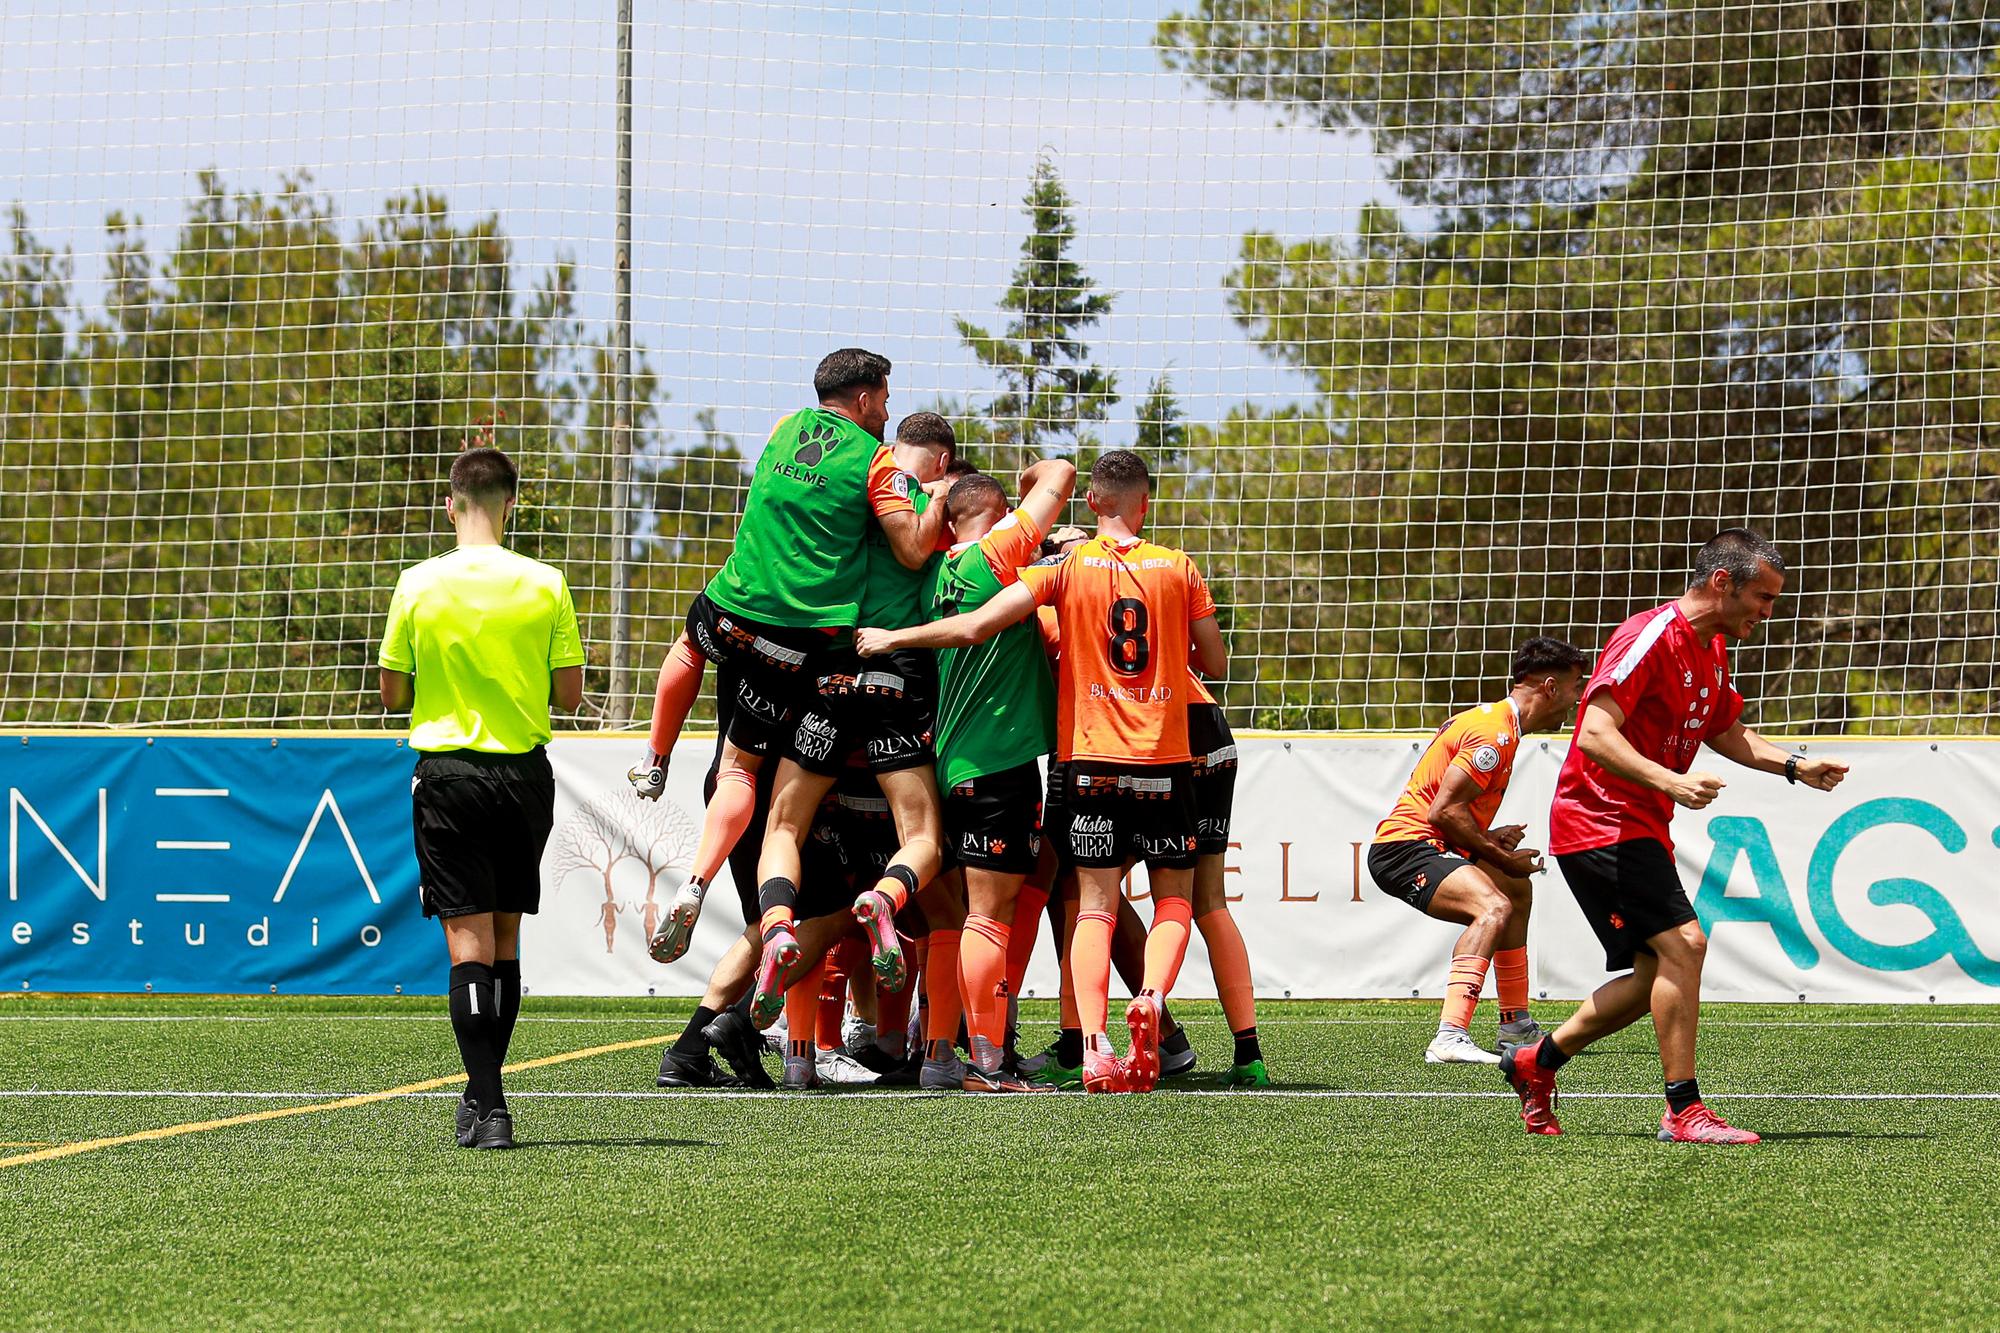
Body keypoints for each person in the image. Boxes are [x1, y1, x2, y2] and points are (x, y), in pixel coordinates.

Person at [860, 449, 1226, 1094]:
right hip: (1111, 762)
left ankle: (1082, 1045)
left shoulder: (951, 576)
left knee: (1082, 909)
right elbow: (1214, 665)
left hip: (998, 762)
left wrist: (892, 637)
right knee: (1161, 902)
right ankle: (1123, 1013)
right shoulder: (1166, 566)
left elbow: (972, 626)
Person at [1501, 529, 1849, 1143]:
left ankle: (1537, 1061)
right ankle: (1683, 1110)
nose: (1768, 613)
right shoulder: (1649, 637)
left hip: (1637, 824)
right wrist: (1673, 781)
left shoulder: (1712, 650)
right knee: (1685, 945)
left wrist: (1794, 767)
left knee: (1651, 974)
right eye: (1763, 599)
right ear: (1723, 584)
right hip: (1600, 820)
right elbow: (1594, 735)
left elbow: (1728, 732)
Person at [628, 352, 944, 979]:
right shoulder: (877, 460)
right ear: (863, 400)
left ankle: (658, 777)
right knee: (744, 770)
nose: (886, 412)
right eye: (883, 400)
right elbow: (911, 551)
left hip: (732, 605)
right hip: (799, 639)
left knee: (689, 650)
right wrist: (937, 499)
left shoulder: (782, 427)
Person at [378, 445, 585, 1149]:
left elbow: (393, 692)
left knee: (466, 945)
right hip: (524, 776)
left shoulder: (417, 583)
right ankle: (480, 1092)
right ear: (511, 504)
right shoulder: (547, 583)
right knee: (503, 943)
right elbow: (569, 693)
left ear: (451, 502)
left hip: (450, 775)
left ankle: (491, 1105)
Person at [744, 413, 955, 1028]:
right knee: (923, 841)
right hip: (897, 678)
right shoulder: (934, 510)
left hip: (831, 677)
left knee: (782, 827)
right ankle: (886, 900)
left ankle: (778, 928)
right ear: (941, 463)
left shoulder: (853, 491)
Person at [913, 461, 1076, 1090]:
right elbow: (1060, 473)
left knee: (955, 918)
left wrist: (933, 496)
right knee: (989, 918)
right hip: (1001, 765)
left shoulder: (934, 573)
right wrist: (1028, 476)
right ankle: (985, 1061)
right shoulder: (997, 555)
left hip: (950, 764)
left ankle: (940, 1055)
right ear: (1001, 513)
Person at [1368, 637, 1587, 1064]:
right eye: (1577, 686)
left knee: (1516, 892)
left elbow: (1450, 810)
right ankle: (1449, 1037)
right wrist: (1501, 856)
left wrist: (1490, 838)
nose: (1578, 700)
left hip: (1428, 842)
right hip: (1404, 849)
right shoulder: (1495, 734)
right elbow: (1444, 811)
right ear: (1549, 687)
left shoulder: (1495, 725)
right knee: (1493, 907)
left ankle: (1515, 1025)